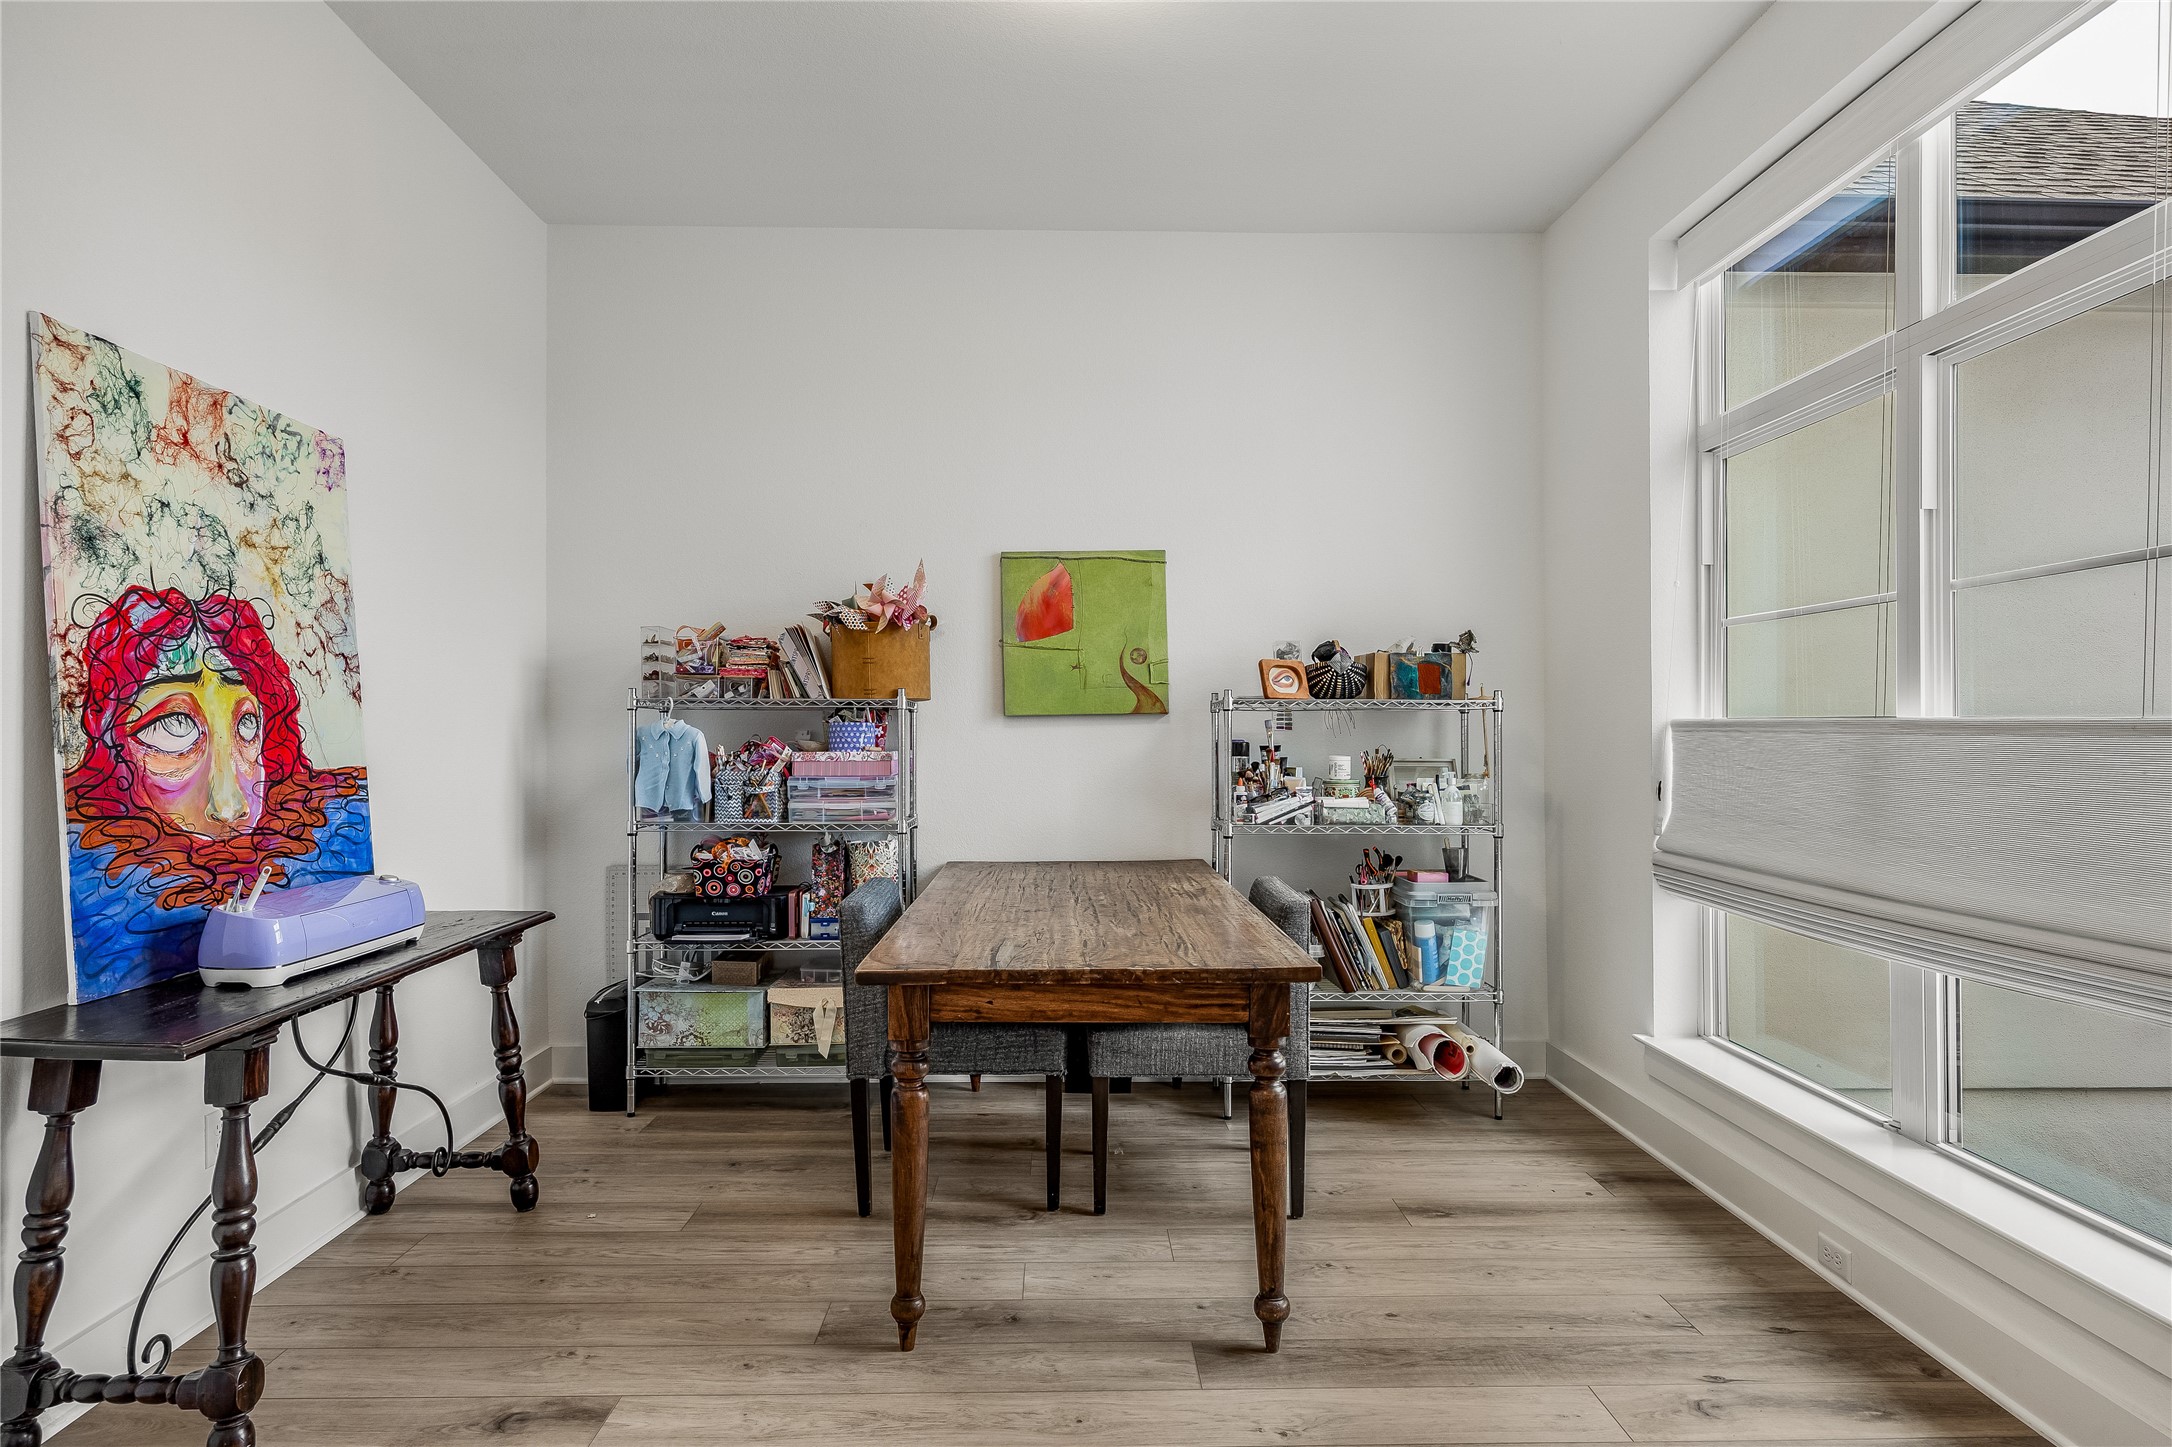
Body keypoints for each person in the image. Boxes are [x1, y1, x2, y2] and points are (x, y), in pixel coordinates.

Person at [62, 585, 370, 994]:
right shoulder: (92, 888)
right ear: (112, 749)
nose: (231, 806)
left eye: (246, 725)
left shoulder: (335, 829)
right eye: (173, 727)